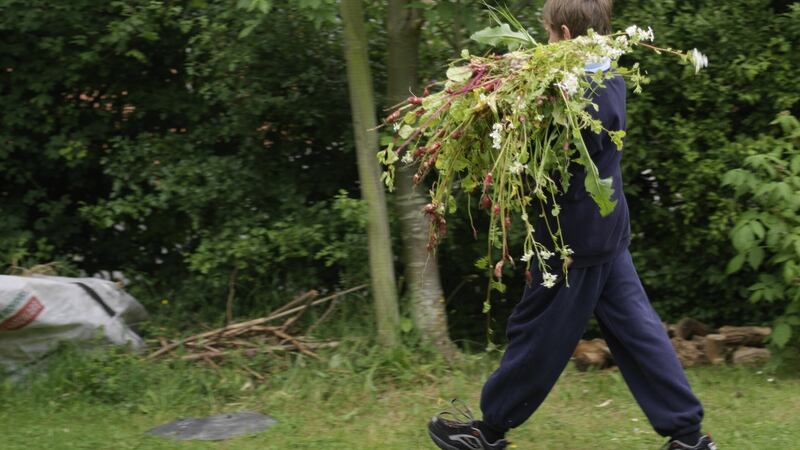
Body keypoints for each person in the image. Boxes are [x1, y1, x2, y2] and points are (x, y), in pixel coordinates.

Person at [427, 1, 717, 449]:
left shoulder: (577, 93)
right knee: (638, 333)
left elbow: (542, 157)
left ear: (563, 33)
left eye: (546, 35)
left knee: (538, 333)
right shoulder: (607, 76)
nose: (543, 44)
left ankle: (489, 431)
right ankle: (688, 435)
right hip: (603, 231)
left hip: (573, 241)